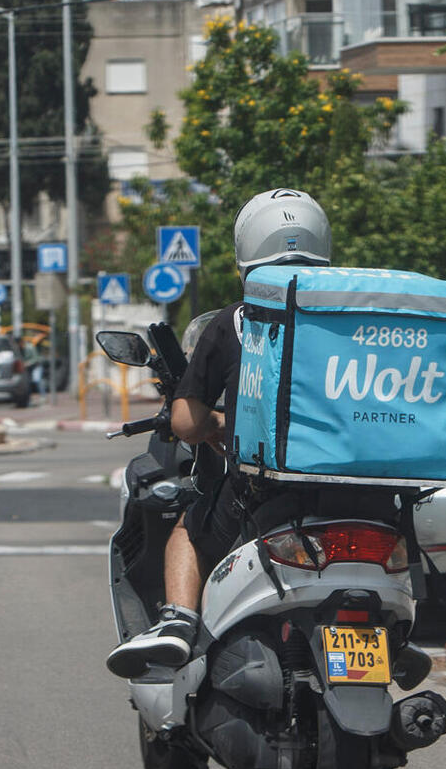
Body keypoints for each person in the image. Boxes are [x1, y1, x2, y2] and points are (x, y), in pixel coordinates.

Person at [105, 188, 332, 677]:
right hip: (354, 498)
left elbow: (187, 423)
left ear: (245, 256)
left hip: (269, 494)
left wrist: (221, 424)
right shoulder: (357, 315)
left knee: (188, 528)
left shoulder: (238, 320)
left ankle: (178, 621)